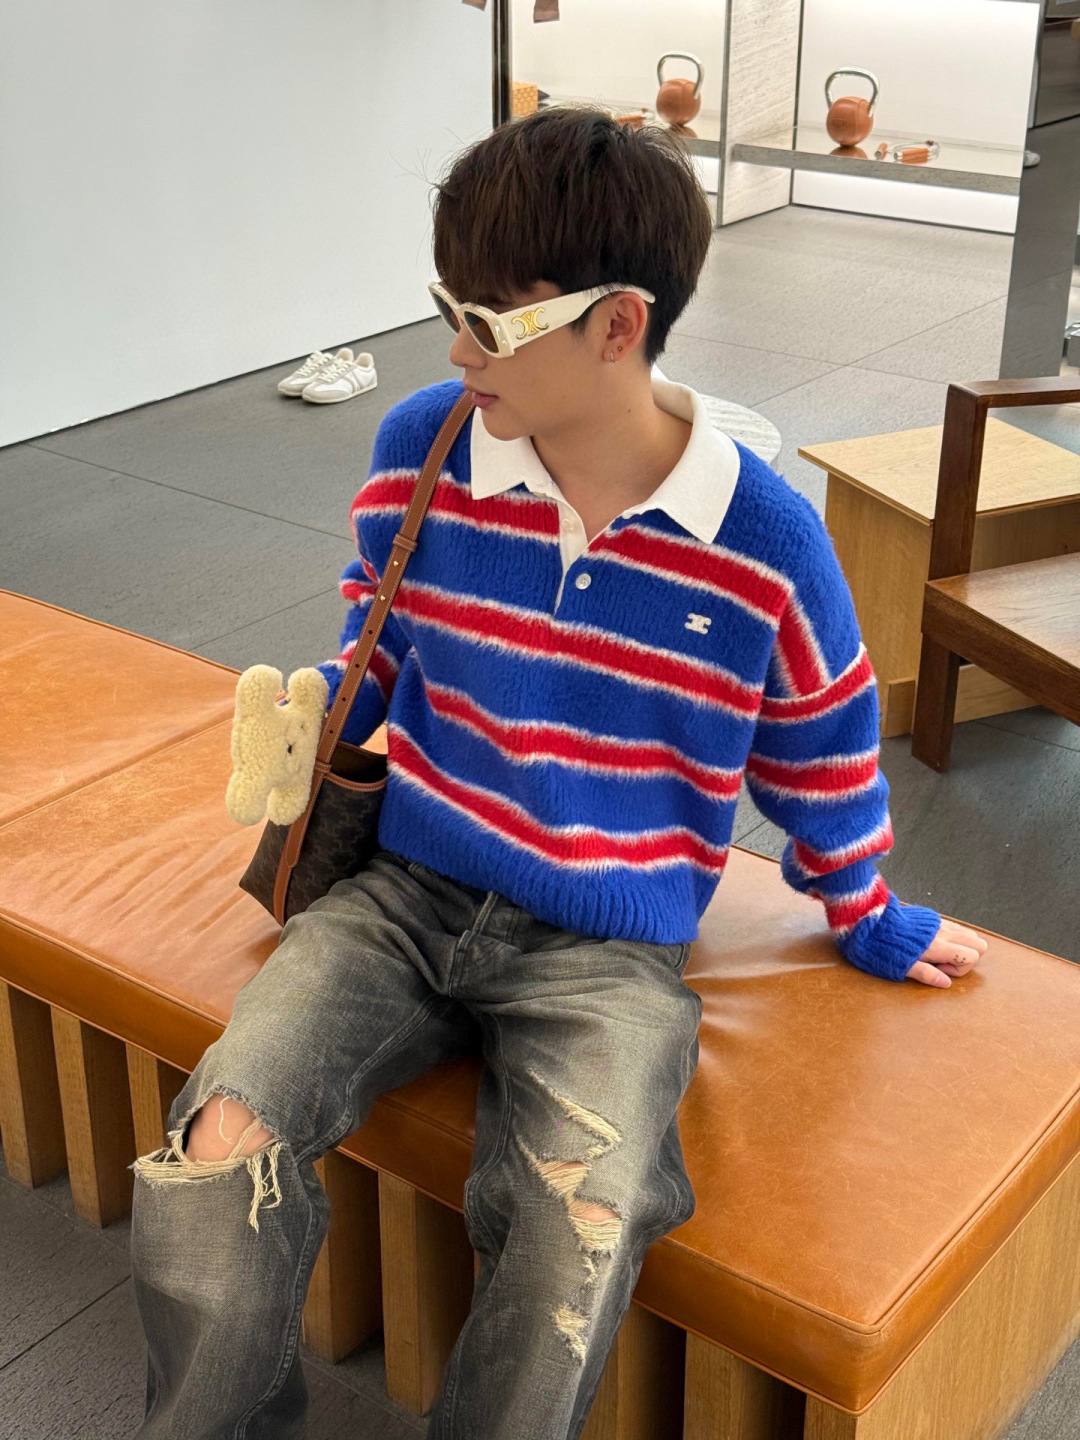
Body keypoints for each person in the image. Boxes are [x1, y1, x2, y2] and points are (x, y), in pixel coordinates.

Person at [128, 104, 987, 1440]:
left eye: (490, 322)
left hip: (607, 946)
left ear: (618, 324)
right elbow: (382, 621)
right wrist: (326, 715)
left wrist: (865, 908)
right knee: (216, 1143)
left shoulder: (763, 540)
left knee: (580, 1225)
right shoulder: (422, 444)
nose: (456, 349)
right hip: (402, 891)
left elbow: (822, 738)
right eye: (447, 308)